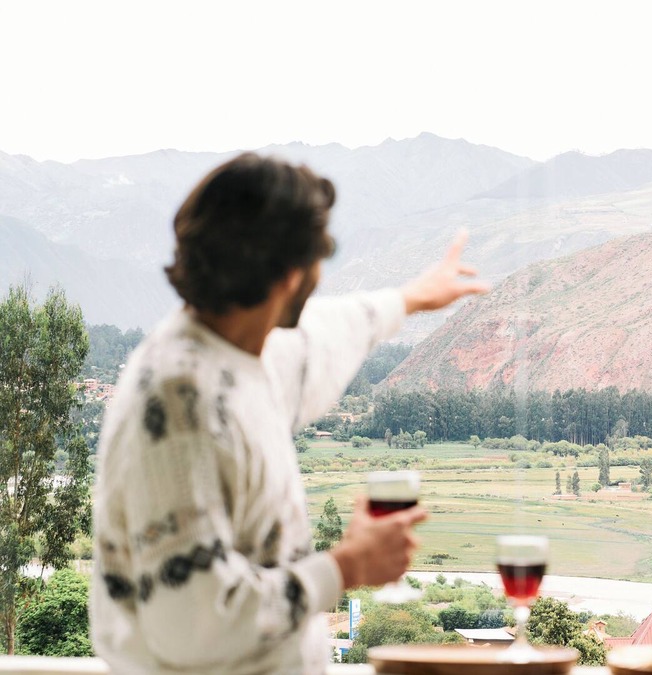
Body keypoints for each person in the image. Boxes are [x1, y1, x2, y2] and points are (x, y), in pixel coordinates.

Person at [89, 153, 487, 674]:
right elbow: (192, 622)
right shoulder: (179, 403)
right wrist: (346, 565)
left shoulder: (239, 351)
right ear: (289, 276)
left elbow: (326, 332)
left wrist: (409, 299)